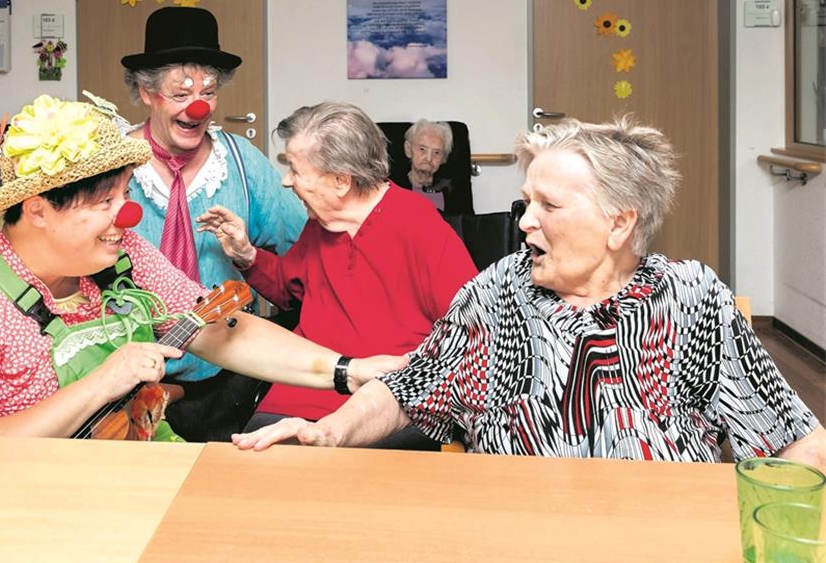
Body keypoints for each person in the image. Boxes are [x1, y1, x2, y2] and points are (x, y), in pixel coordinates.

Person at [231, 115, 826, 468]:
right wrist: (330, 431)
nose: (523, 222)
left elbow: (795, 440)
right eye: (526, 202)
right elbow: (410, 390)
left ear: (620, 222)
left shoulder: (692, 297)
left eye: (549, 206)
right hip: (514, 525)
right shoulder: (500, 292)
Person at [0, 94, 398, 438]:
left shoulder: (119, 253)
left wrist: (345, 370)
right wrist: (103, 383)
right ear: (39, 207)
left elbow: (218, 328)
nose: (127, 216)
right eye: (104, 201)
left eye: (125, 194)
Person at [197, 101, 479, 450]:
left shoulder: (418, 224)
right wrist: (246, 256)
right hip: (301, 388)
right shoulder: (322, 226)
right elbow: (287, 291)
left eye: (296, 170)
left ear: (341, 181)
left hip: (382, 406)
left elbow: (471, 332)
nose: (286, 182)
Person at [120, 6, 306, 439]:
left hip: (226, 377)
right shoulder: (112, 167)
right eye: (181, 93)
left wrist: (248, 256)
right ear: (148, 93)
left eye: (208, 91)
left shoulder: (241, 163)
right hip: (126, 384)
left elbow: (303, 252)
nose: (198, 106)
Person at [400, 119, 454, 212]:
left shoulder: (452, 191)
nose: (429, 158)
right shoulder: (392, 188)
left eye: (436, 153)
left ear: (444, 158)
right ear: (408, 150)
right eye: (422, 149)